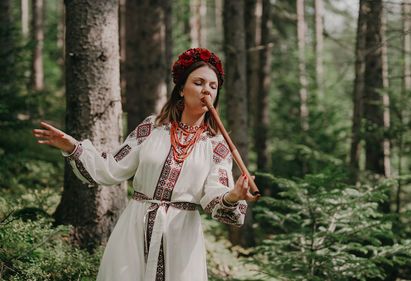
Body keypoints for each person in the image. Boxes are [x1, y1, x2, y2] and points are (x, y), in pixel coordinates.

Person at [33, 48, 258, 281]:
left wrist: (233, 196)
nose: (206, 90)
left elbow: (214, 197)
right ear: (181, 89)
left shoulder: (217, 145)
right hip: (134, 230)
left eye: (213, 86)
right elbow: (111, 167)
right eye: (198, 82)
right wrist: (72, 147)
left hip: (181, 237)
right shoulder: (152, 127)